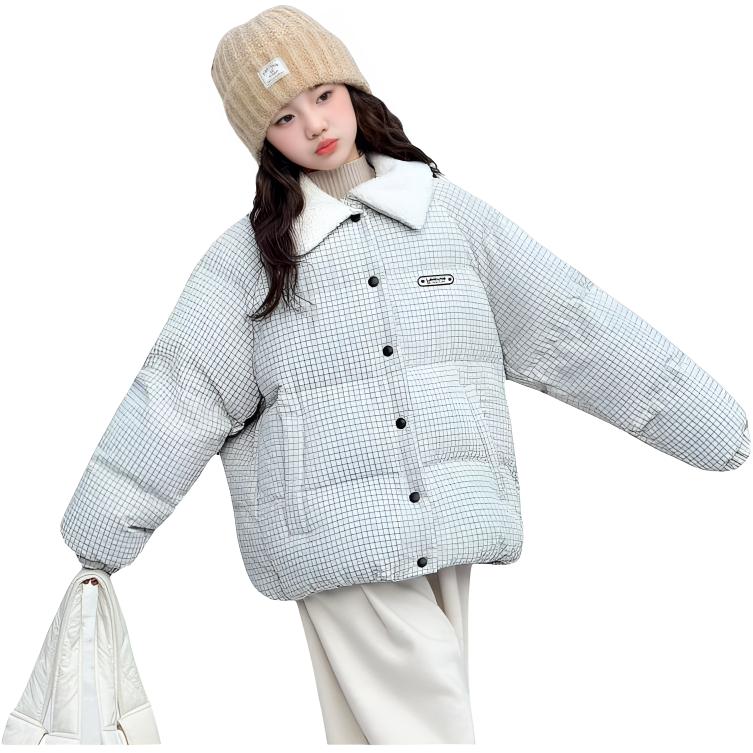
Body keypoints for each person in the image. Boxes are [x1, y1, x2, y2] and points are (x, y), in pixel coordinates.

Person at [59, 4, 749, 745]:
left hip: (449, 515)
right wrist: (103, 533)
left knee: (384, 730)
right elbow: (180, 394)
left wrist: (707, 421)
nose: (315, 125)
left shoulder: (450, 219)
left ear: (354, 91)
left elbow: (571, 324)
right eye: (285, 117)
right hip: (331, 532)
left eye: (324, 95)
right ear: (263, 140)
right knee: (427, 725)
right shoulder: (248, 263)